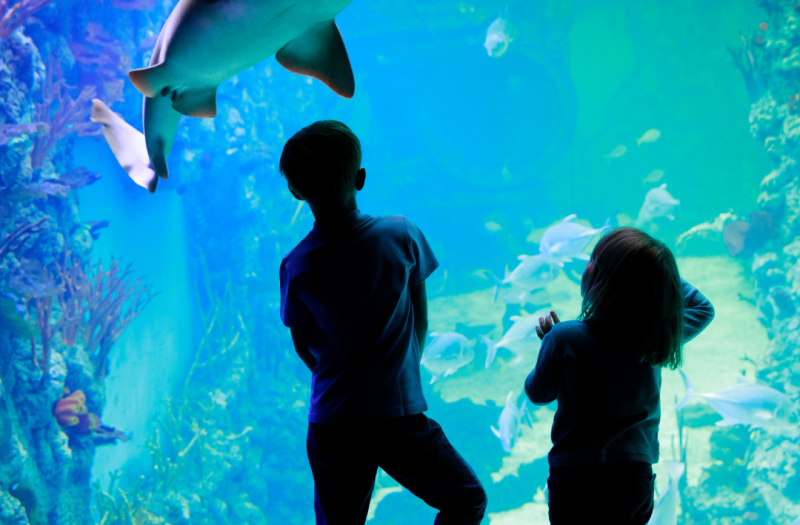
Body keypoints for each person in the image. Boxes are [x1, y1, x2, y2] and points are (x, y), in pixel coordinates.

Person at [278, 120, 487, 525]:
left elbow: (303, 344)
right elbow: (420, 317)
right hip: (396, 415)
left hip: (332, 421)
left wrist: (341, 375)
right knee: (466, 500)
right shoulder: (401, 234)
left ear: (295, 191)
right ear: (360, 178)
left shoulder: (297, 264)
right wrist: (399, 373)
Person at [526, 227, 715, 525]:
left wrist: (548, 348)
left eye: (593, 261)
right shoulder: (654, 338)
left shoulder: (563, 337)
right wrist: (656, 273)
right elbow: (703, 308)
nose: (585, 264)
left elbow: (538, 393)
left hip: (576, 476)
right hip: (633, 476)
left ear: (604, 280)